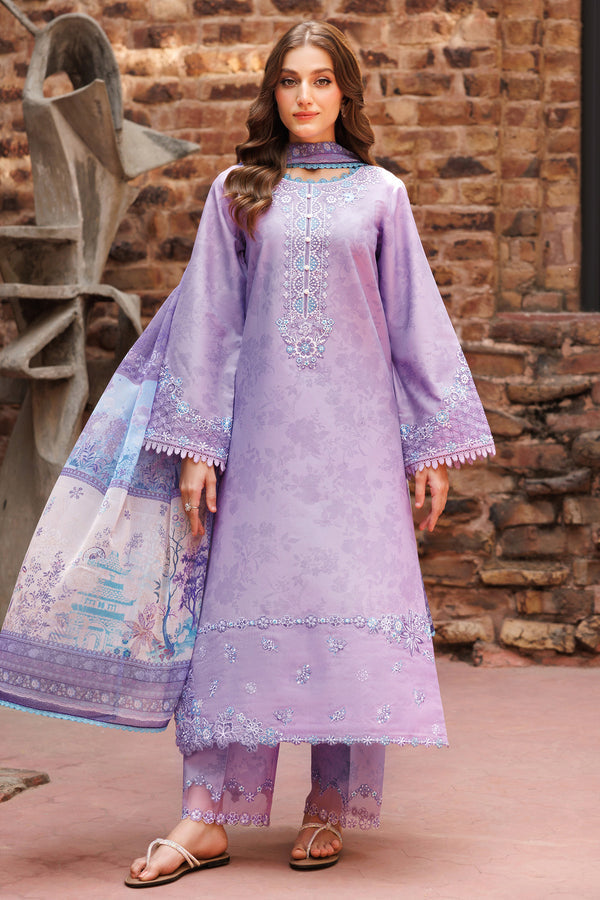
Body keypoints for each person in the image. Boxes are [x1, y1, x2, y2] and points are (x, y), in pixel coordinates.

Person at [0, 20, 494, 886]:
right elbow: (209, 322)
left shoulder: (382, 194)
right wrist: (198, 445)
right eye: (290, 81)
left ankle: (331, 803)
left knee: (345, 610)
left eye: (322, 80)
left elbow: (415, 322)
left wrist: (431, 447)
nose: (305, 96)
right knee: (235, 613)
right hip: (257, 443)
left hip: (357, 450)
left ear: (345, 94)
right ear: (272, 94)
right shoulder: (237, 191)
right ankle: (210, 815)